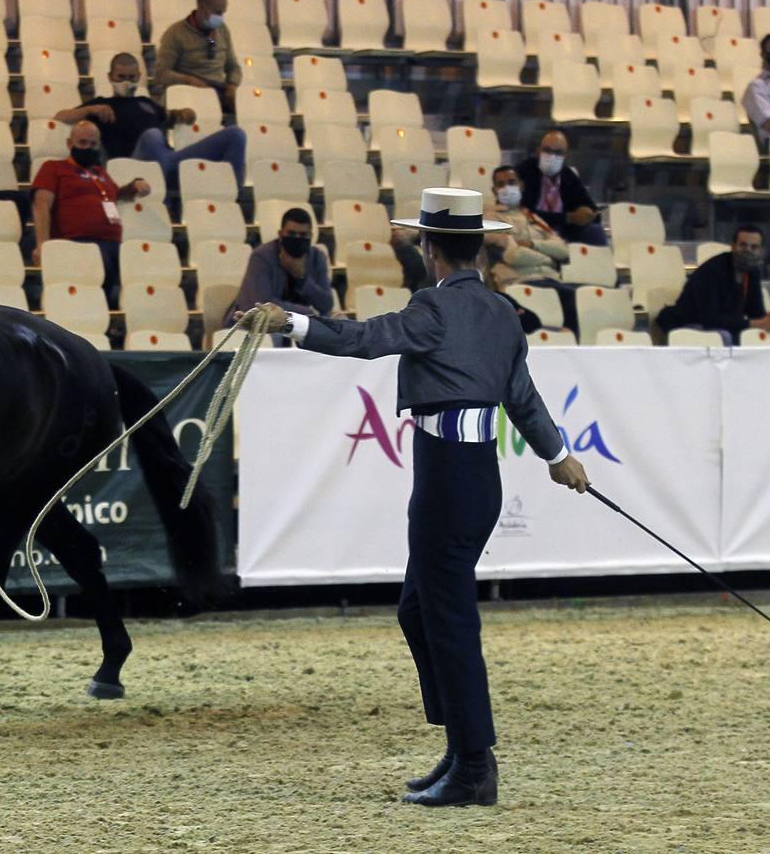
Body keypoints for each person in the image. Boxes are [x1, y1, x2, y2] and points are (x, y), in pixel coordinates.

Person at [238, 186, 590, 808]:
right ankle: (460, 746)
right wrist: (559, 457)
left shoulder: (433, 307)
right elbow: (524, 398)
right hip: (473, 475)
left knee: (446, 618)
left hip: (447, 476)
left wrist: (289, 321)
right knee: (419, 609)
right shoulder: (503, 312)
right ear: (477, 246)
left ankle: (475, 766)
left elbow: (367, 338)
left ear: (430, 248)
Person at [57, 52, 247, 189]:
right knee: (152, 136)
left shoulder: (146, 103)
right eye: (120, 77)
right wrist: (90, 109)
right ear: (110, 77)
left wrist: (183, 114)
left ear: (139, 77)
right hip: (133, 167)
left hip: (169, 162)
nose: (126, 81)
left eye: (131, 77)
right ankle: (161, 184)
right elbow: (60, 117)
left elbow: (169, 117)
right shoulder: (101, 105)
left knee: (235, 135)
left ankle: (231, 192)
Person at [30, 121, 152, 304]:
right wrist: (42, 244)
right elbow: (41, 204)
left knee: (144, 268)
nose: (88, 148)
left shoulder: (101, 173)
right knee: (102, 267)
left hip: (112, 243)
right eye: (83, 143)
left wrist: (134, 187)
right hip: (77, 242)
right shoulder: (54, 168)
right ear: (69, 144)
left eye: (93, 144)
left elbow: (115, 195)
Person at [656, 225, 770, 344]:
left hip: (721, 325)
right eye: (743, 245)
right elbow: (711, 319)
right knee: (725, 337)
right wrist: (754, 324)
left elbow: (756, 313)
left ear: (761, 251)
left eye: (754, 247)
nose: (748, 251)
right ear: (733, 246)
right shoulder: (712, 271)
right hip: (689, 324)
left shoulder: (752, 272)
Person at [227, 207, 336, 340]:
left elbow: (326, 304)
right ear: (280, 234)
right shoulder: (262, 257)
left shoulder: (317, 257)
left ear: (311, 237)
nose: (297, 239)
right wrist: (305, 313)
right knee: (275, 334)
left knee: (336, 324)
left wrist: (301, 278)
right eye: (291, 233)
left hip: (295, 324)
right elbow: (260, 305)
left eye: (303, 235)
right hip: (257, 325)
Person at [153, 0, 240, 114]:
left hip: (219, 89)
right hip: (190, 92)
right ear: (201, 7)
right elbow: (161, 74)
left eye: (222, 12)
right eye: (217, 12)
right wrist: (189, 80)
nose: (220, 17)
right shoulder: (175, 33)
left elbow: (233, 67)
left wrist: (232, 85)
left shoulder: (222, 30)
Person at [514, 130, 607, 246]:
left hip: (564, 231)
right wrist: (568, 218)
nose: (552, 156)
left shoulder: (568, 175)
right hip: (533, 229)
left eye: (558, 152)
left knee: (595, 232)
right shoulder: (523, 172)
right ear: (538, 151)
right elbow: (524, 212)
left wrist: (587, 213)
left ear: (565, 156)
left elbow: (592, 209)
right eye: (547, 150)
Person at [484, 165, 569, 281]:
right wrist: (550, 260)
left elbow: (563, 250)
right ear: (494, 191)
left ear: (521, 186)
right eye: (501, 184)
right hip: (519, 282)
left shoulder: (533, 218)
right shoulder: (490, 219)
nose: (507, 188)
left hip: (552, 278)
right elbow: (514, 255)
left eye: (511, 182)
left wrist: (532, 244)